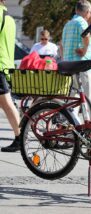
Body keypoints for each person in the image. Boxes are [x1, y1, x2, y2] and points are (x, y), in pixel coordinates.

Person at [61, 0, 91, 121]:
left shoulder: (68, 24)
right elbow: (86, 35)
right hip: (83, 65)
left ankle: (71, 126)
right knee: (90, 99)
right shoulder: (82, 22)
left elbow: (61, 45)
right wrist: (84, 50)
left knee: (74, 99)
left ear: (76, 10)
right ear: (87, 12)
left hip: (70, 66)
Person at [0, 0, 21, 152]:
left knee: (7, 103)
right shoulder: (9, 18)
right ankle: (20, 137)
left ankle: (20, 137)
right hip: (6, 63)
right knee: (6, 103)